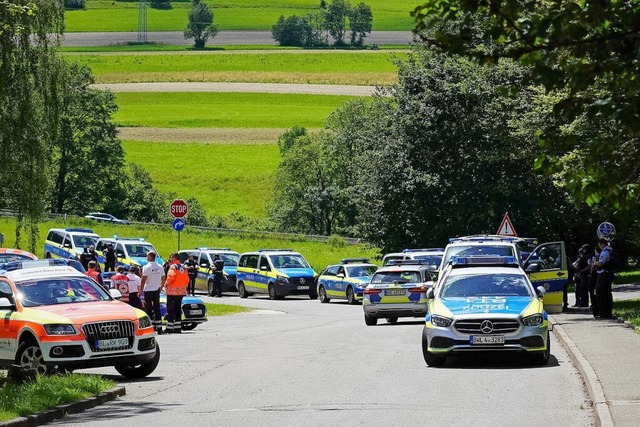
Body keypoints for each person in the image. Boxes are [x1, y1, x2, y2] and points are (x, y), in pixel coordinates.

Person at [141, 251, 166, 333]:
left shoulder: (146, 267)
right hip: (156, 290)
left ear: (150, 257)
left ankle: (150, 327)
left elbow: (143, 280)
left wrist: (140, 290)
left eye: (147, 256)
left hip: (148, 289)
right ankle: (159, 328)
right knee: (157, 308)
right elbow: (163, 278)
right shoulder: (160, 266)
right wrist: (161, 286)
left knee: (149, 309)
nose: (147, 257)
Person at [163, 253, 189, 333]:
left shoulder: (173, 267)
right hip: (181, 292)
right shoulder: (183, 267)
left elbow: (171, 277)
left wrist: (165, 284)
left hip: (172, 293)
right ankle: (178, 328)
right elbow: (187, 280)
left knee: (170, 310)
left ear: (174, 258)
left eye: (171, 258)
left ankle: (169, 328)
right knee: (178, 310)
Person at [594, 238, 615, 319]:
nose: (599, 247)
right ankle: (608, 312)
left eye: (599, 245)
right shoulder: (610, 250)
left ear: (602, 244)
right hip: (608, 273)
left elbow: (601, 263)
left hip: (603, 274)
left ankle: (603, 313)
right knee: (607, 293)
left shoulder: (605, 252)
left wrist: (595, 262)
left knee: (600, 293)